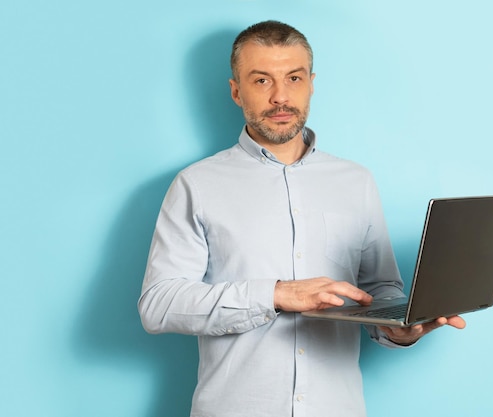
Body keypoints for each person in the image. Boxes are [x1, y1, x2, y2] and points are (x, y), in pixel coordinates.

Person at [138, 20, 465, 417]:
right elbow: (158, 304)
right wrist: (276, 294)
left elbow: (380, 291)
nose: (280, 97)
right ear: (236, 91)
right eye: (261, 81)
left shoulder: (356, 181)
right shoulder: (197, 184)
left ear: (311, 83)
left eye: (293, 78)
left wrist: (400, 327)